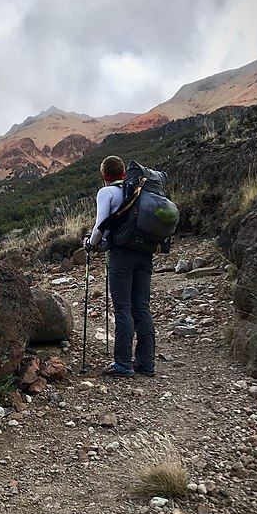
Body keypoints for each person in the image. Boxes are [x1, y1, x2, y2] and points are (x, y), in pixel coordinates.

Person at [83, 155, 156, 378]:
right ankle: (146, 362)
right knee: (141, 306)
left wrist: (90, 243)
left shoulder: (107, 192)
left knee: (122, 307)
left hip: (121, 256)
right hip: (145, 253)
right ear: (124, 172)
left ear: (104, 175)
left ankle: (123, 364)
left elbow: (100, 225)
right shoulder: (138, 190)